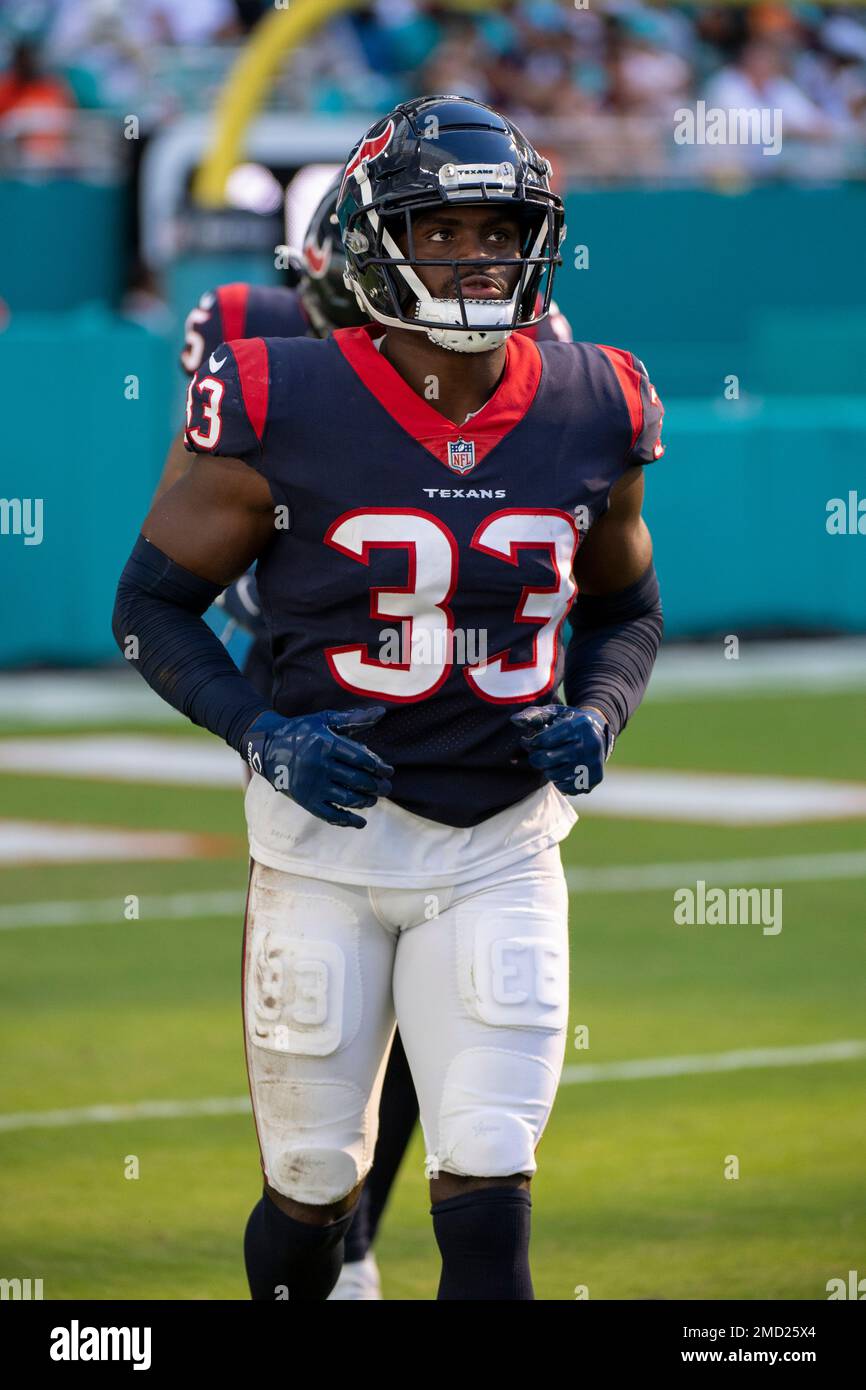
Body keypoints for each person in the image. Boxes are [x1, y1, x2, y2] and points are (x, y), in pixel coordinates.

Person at [113, 93, 664, 1301]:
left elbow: (626, 613)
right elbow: (149, 606)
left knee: (487, 1174)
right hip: (323, 844)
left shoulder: (595, 396)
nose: (474, 256)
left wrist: (600, 711)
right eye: (442, 230)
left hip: (503, 843)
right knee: (313, 1185)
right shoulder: (276, 391)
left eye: (497, 232)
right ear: (378, 240)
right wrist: (259, 732)